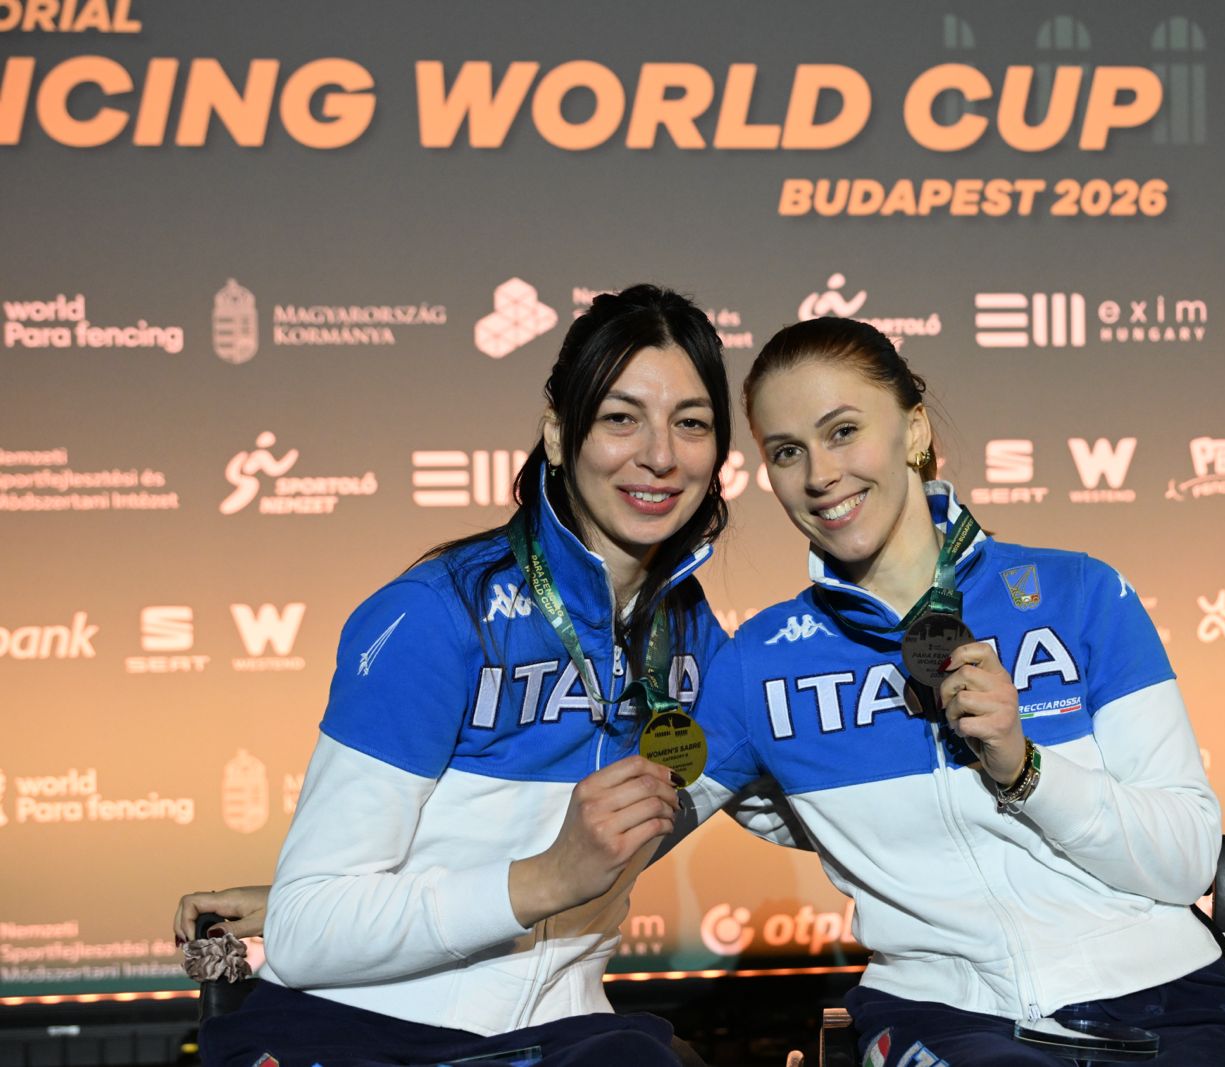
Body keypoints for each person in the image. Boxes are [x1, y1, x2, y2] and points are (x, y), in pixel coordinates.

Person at [677, 317, 1225, 1065]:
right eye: (786, 451)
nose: (819, 474)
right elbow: (635, 818)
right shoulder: (760, 662)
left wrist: (1023, 767)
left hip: (1169, 991)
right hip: (943, 1012)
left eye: (843, 431)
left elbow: (1188, 860)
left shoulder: (1080, 593)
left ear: (913, 430)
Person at [193, 284, 788, 1067]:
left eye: (692, 422)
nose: (660, 454)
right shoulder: (439, 613)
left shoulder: (692, 635)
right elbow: (305, 931)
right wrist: (545, 878)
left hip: (564, 1034)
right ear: (558, 432)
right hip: (364, 1032)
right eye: (621, 417)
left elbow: (827, 808)